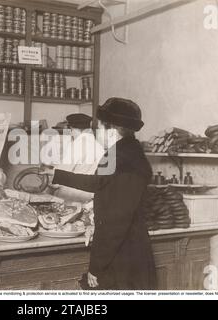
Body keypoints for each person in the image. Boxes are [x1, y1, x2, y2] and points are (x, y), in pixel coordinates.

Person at [43, 98, 157, 290]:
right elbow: (99, 183)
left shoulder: (117, 155)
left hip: (121, 255)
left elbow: (115, 220)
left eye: (100, 128)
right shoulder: (128, 151)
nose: (97, 133)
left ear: (112, 131)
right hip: (131, 248)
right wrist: (57, 174)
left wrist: (96, 266)